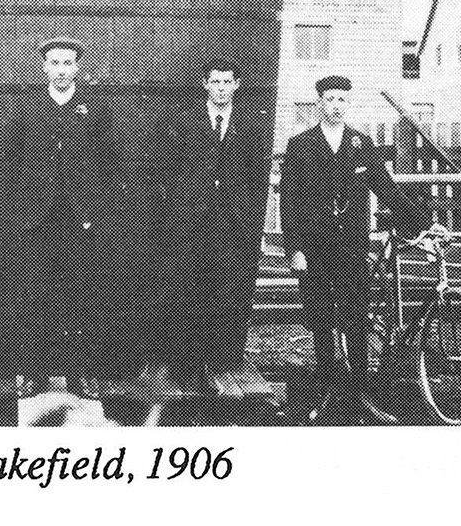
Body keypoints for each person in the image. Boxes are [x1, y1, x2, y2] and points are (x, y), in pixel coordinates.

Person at [279, 75, 436, 422]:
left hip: (351, 247)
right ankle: (326, 387)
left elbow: (387, 189)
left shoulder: (361, 144)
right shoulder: (300, 145)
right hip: (314, 246)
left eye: (342, 100)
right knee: (320, 317)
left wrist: (424, 223)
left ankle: (360, 390)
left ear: (349, 104)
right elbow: (288, 201)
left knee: (355, 316)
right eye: (330, 99)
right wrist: (295, 249)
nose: (336, 106)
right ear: (319, 102)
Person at [139, 59, 269, 391]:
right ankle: (184, 363)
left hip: (229, 222)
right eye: (216, 82)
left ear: (237, 85)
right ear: (205, 84)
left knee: (223, 290)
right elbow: (161, 170)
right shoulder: (183, 122)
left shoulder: (251, 126)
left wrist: (248, 219)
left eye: (228, 82)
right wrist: (174, 209)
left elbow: (257, 179)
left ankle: (219, 363)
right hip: (189, 222)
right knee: (186, 288)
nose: (222, 88)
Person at [6, 37, 115, 395]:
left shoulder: (95, 109)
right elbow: (13, 164)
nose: (61, 70)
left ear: (77, 67)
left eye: (68, 63)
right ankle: (33, 372)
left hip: (79, 217)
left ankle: (78, 372)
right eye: (55, 63)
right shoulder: (27, 108)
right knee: (33, 292)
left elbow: (107, 163)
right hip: (36, 218)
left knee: (79, 293)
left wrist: (96, 211)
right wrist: (19, 210)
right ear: (44, 67)